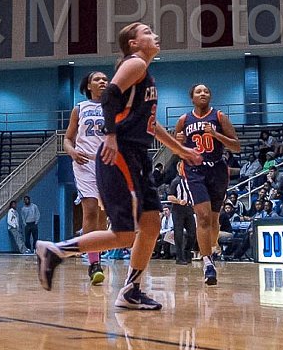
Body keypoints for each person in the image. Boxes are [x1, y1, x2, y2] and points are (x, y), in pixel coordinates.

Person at [34, 22, 203, 310]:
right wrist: (110, 135)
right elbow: (110, 96)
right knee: (125, 234)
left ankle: (131, 290)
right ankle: (55, 251)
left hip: (137, 155)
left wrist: (181, 150)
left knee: (150, 226)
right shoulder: (135, 63)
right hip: (120, 154)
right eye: (147, 32)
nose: (154, 34)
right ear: (134, 44)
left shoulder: (146, 77)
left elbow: (151, 124)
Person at [174, 83, 240, 286]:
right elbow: (177, 149)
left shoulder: (219, 117)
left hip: (218, 170)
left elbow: (236, 147)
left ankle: (210, 248)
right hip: (195, 171)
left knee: (213, 220)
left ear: (210, 96)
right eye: (198, 91)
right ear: (191, 97)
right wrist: (179, 144)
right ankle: (207, 263)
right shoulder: (184, 120)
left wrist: (216, 135)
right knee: (202, 216)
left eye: (206, 91)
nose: (203, 94)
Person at [62, 71, 110, 285]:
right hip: (84, 162)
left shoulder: (114, 107)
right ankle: (94, 264)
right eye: (98, 79)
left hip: (108, 163)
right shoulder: (79, 109)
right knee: (90, 210)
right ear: (89, 86)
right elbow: (67, 139)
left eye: (105, 79)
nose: (103, 82)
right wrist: (72, 152)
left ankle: (96, 254)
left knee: (102, 217)